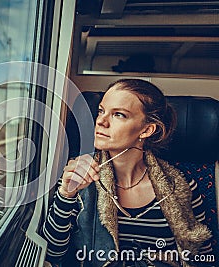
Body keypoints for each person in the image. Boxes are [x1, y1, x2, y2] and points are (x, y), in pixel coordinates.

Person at [42, 79, 213, 266]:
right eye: (101, 111)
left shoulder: (181, 186)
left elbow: (201, 256)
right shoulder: (79, 175)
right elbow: (52, 253)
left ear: (147, 130)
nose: (101, 121)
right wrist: (66, 194)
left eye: (119, 115)